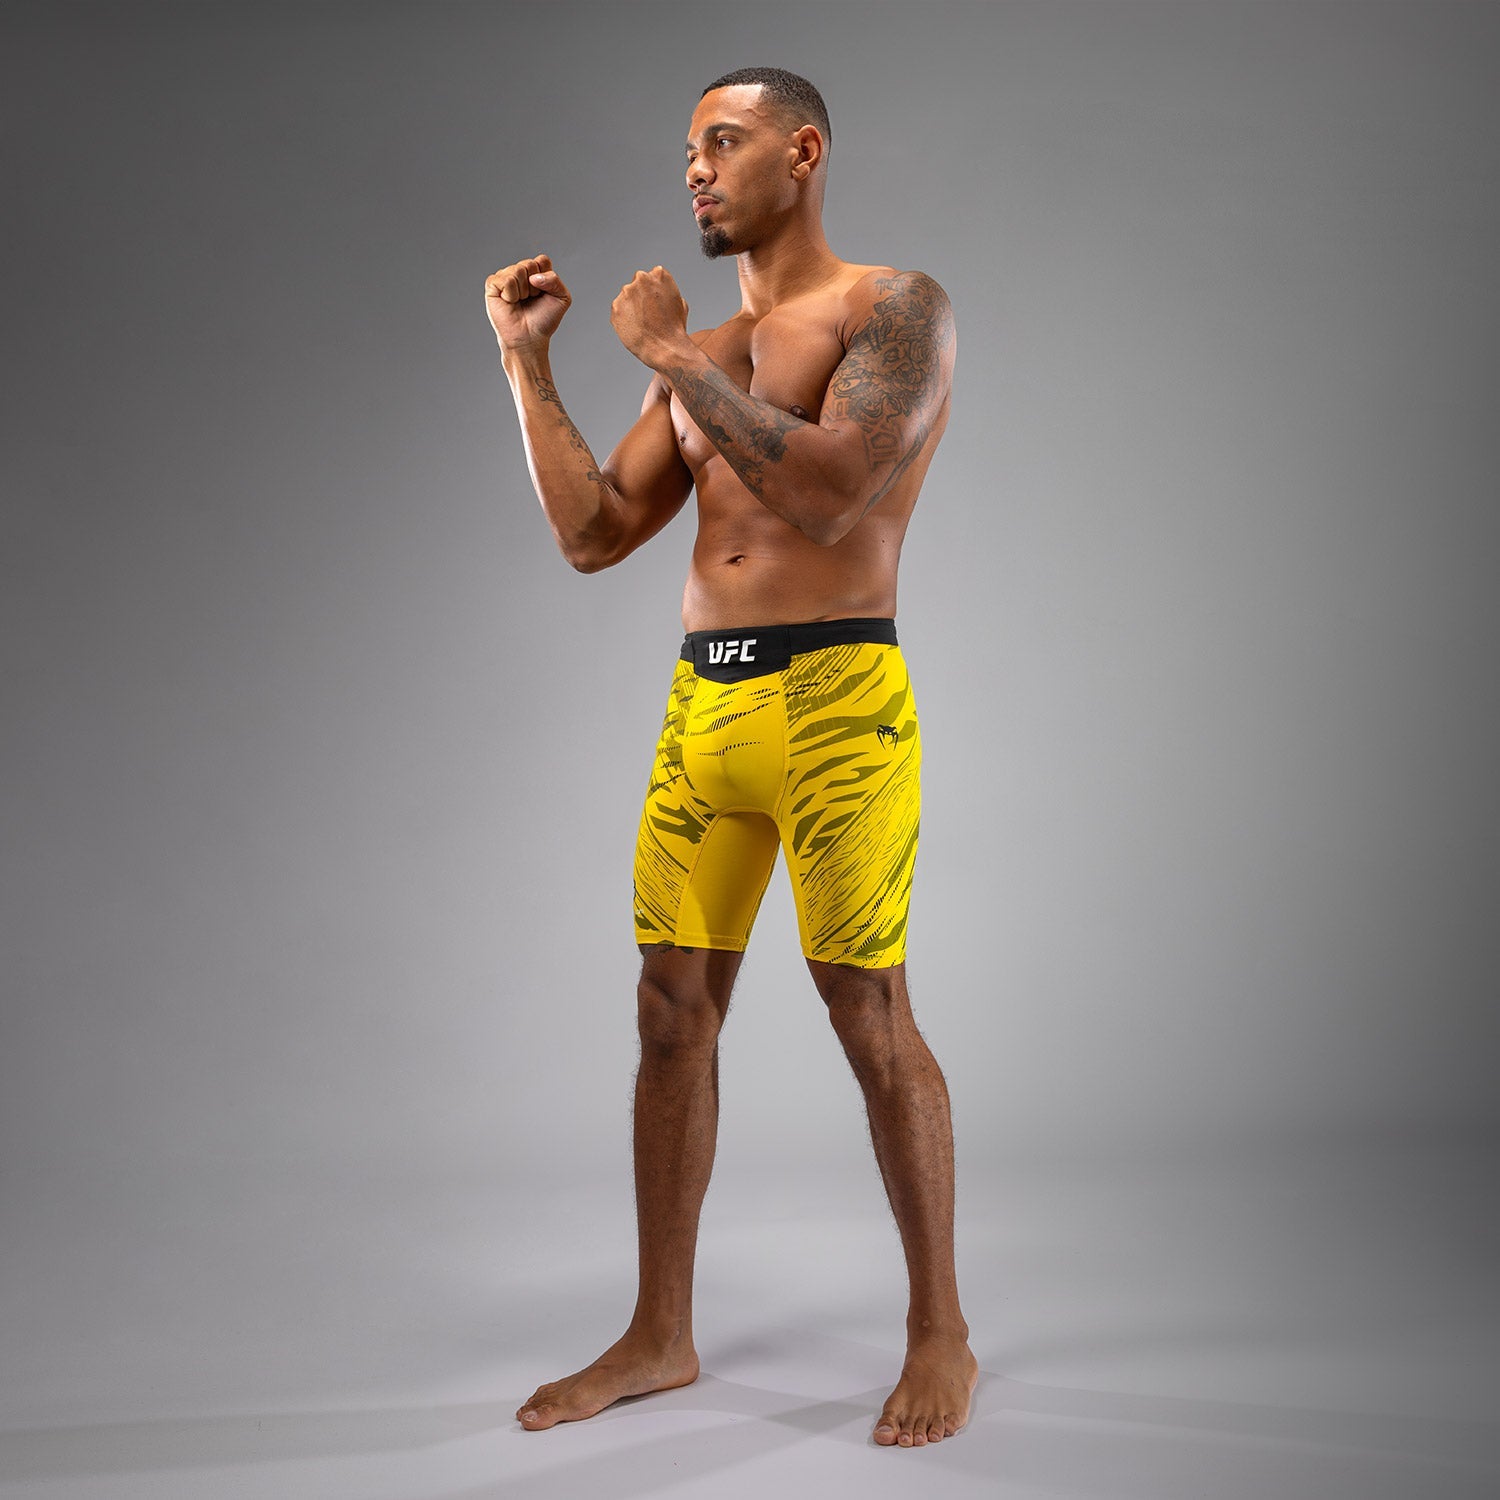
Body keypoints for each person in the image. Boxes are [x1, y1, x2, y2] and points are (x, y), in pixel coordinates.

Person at [485, 66, 976, 1450]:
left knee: (866, 1011)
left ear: (802, 152)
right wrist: (526, 364)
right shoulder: (696, 349)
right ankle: (661, 1333)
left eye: (723, 141)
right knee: (668, 1011)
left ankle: (940, 1330)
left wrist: (676, 360)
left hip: (837, 703)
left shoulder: (894, 307)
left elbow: (833, 489)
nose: (695, 169)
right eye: (688, 149)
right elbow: (593, 534)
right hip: (705, 709)